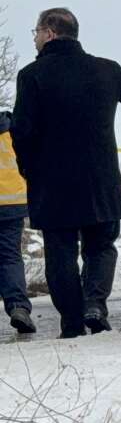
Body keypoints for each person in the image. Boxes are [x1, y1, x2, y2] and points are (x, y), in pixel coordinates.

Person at [12, 8, 121, 338]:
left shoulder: (32, 75)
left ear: (50, 33)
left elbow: (22, 130)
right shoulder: (107, 69)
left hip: (52, 182)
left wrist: (28, 168)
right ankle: (95, 304)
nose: (35, 39)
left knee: (60, 254)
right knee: (101, 246)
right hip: (101, 180)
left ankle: (71, 323)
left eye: (36, 32)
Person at [0, 111, 35, 334]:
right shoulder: (11, 128)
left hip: (11, 202)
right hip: (11, 203)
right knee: (10, 256)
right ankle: (18, 308)